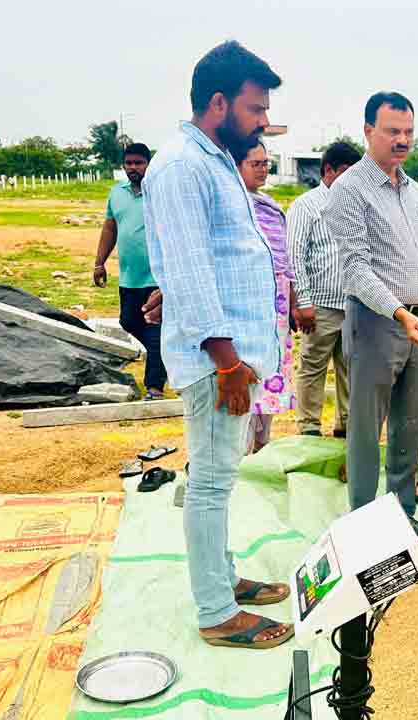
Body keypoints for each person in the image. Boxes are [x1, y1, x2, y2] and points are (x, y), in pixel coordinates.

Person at [142, 40, 292, 650]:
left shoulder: (214, 162)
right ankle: (214, 611)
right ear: (220, 102)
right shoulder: (182, 165)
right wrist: (228, 363)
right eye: (256, 110)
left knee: (220, 479)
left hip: (232, 356)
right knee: (207, 483)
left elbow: (205, 258)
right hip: (217, 363)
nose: (262, 122)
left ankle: (224, 578)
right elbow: (192, 270)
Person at [325, 91, 418, 537]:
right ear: (368, 130)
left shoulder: (411, 189)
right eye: (393, 131)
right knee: (367, 429)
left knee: (411, 425)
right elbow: (355, 267)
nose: (402, 140)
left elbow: (417, 254)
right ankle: (365, 526)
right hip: (377, 323)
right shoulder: (349, 190)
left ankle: (403, 516)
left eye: (408, 131)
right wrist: (396, 311)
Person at [287, 141, 362, 438]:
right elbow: (294, 256)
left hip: (354, 305)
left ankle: (347, 425)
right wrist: (302, 303)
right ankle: (309, 428)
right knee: (312, 366)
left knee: (350, 369)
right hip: (319, 306)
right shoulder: (307, 205)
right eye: (345, 172)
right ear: (328, 170)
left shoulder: (357, 205)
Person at [233, 138, 295, 453]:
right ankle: (239, 455)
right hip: (246, 306)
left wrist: (295, 297)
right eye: (255, 164)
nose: (263, 170)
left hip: (278, 306)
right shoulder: (230, 204)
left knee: (272, 375)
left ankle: (262, 445)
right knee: (248, 378)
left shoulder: (268, 203)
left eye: (265, 164)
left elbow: (284, 256)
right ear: (237, 165)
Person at [92, 143, 167, 400]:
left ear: (149, 163)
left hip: (157, 277)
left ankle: (155, 386)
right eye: (129, 163)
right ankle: (167, 356)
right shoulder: (117, 193)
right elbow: (110, 228)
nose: (133, 168)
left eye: (139, 163)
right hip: (129, 277)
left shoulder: (160, 192)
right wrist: (99, 262)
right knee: (129, 321)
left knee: (154, 329)